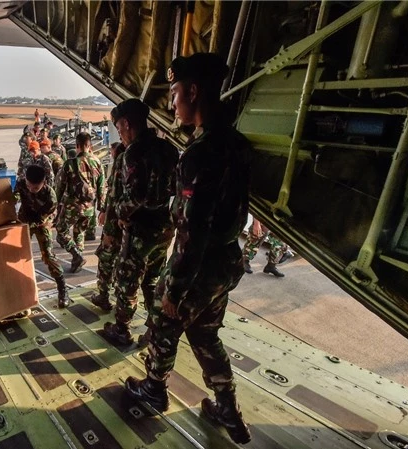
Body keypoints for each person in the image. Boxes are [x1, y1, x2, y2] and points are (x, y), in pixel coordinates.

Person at [123, 53, 252, 445]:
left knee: (164, 321)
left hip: (199, 265)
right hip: (226, 261)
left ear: (194, 91)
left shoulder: (200, 154)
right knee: (205, 335)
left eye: (176, 92)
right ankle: (228, 410)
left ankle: (154, 388)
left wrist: (175, 291)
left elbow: (193, 231)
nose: (173, 102)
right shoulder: (237, 143)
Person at [100, 99, 179, 345]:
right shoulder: (168, 149)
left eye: (119, 127)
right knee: (154, 278)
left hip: (140, 230)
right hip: (164, 226)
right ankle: (155, 325)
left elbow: (133, 196)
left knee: (127, 281)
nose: (120, 133)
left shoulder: (133, 153)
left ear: (125, 123)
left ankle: (122, 329)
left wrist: (120, 216)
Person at [14, 165, 71, 308]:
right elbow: (14, 196)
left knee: (48, 256)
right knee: (18, 254)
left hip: (40, 224)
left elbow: (40, 219)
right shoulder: (21, 183)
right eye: (28, 186)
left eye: (35, 188)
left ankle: (62, 289)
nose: (30, 189)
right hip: (23, 219)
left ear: (43, 182)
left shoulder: (50, 197)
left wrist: (28, 225)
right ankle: (19, 290)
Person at [55, 132, 106, 273]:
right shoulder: (97, 162)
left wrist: (56, 204)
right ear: (89, 146)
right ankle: (77, 259)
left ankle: (76, 255)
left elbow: (60, 186)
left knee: (61, 231)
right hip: (89, 207)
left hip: (72, 206)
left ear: (77, 146)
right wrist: (102, 209)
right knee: (80, 232)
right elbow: (102, 187)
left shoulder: (70, 164)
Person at [91, 142, 125, 309]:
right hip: (128, 226)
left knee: (106, 259)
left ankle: (104, 296)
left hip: (116, 225)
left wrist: (109, 231)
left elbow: (113, 198)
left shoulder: (120, 167)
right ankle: (120, 297)